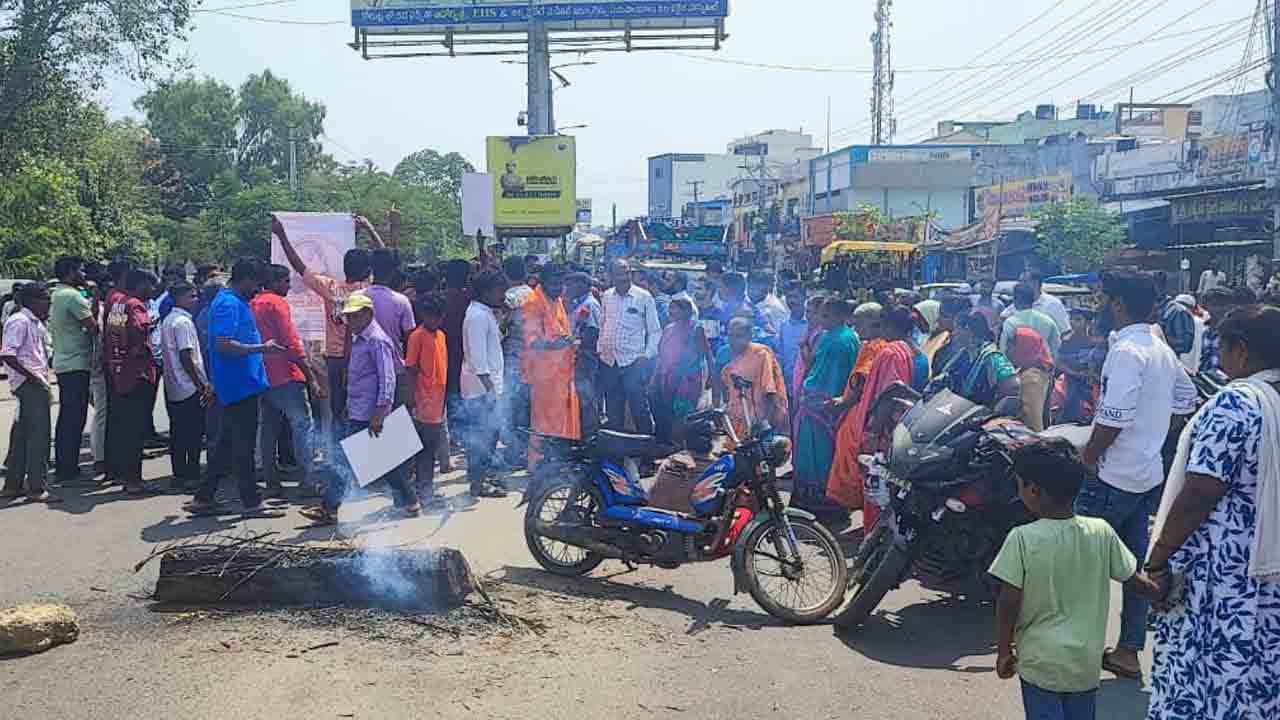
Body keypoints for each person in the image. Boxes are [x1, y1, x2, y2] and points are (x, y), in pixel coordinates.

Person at [1143, 305, 1280, 720]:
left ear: (1239, 349)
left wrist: (1158, 559)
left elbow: (1202, 489)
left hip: (1223, 575)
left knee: (1205, 681)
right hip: (1267, 574)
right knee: (1256, 682)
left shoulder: (1236, 403)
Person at [1077, 270, 1197, 680]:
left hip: (1112, 477)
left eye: (1102, 300)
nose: (1099, 307)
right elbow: (1187, 397)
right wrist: (1155, 433)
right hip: (1146, 474)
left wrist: (1089, 458)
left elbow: (1114, 418)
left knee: (1082, 564)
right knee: (1133, 569)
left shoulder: (1129, 350)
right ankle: (1128, 651)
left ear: (1118, 304)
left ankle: (1078, 648)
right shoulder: (1159, 348)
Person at [989, 438, 1161, 720]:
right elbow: (1134, 581)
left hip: (1039, 662)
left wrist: (1004, 651)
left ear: (1033, 491)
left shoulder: (1021, 539)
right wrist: (1162, 592)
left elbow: (1008, 602)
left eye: (1019, 485)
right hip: (1084, 663)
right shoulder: (1101, 532)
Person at [301, 294, 420, 524]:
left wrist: (379, 412)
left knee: (346, 460)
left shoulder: (376, 340)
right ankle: (410, 502)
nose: (351, 321)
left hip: (370, 412)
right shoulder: (361, 338)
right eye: (349, 317)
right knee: (381, 460)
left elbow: (388, 379)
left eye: (355, 316)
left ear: (368, 314)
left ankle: (329, 508)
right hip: (360, 409)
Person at [189, 260, 285, 517]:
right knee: (243, 446)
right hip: (238, 385)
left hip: (242, 383)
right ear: (245, 278)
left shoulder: (232, 301)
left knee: (227, 443)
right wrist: (262, 349)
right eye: (256, 283)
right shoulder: (228, 304)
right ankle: (251, 501)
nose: (258, 289)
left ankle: (203, 497)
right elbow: (223, 345)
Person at [274, 214, 381, 429]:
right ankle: (360, 456)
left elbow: (299, 266)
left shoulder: (330, 287)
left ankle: (338, 455)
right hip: (363, 357)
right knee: (363, 409)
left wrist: (282, 235)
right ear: (368, 270)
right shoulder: (369, 290)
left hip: (335, 359)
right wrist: (370, 229)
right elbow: (387, 258)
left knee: (337, 410)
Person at [827, 305, 917, 527]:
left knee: (876, 483)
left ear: (885, 325)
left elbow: (889, 393)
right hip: (896, 425)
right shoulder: (905, 349)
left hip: (882, 428)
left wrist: (873, 430)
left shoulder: (888, 352)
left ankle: (873, 535)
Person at [251, 263, 320, 499]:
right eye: (286, 282)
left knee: (268, 431)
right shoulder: (276, 304)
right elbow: (291, 342)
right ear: (274, 282)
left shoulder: (252, 303)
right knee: (302, 427)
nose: (289, 287)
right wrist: (310, 376)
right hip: (286, 375)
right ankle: (309, 481)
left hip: (262, 377)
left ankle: (271, 483)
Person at [792, 298, 861, 530]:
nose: (822, 320)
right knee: (831, 456)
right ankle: (834, 505)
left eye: (826, 316)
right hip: (840, 403)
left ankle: (815, 507)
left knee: (814, 457)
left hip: (820, 406)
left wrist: (807, 394)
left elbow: (818, 374)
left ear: (839, 316)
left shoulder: (832, 339)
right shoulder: (850, 336)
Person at [103, 269, 160, 496]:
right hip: (137, 374)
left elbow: (113, 334)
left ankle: (120, 473)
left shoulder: (117, 302)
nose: (153, 290)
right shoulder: (135, 305)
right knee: (135, 431)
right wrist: (144, 348)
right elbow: (139, 334)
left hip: (118, 372)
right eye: (150, 285)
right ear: (140, 284)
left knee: (122, 426)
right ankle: (134, 481)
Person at [1, 284, 58, 504]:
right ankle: (36, 488)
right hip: (30, 385)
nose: (49, 304)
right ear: (33, 300)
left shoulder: (35, 323)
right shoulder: (20, 321)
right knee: (38, 438)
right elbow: (8, 354)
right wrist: (32, 377)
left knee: (22, 437)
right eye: (45, 299)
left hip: (33, 382)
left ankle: (13, 486)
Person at [523, 264, 580, 468]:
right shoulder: (533, 302)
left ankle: (557, 460)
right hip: (544, 376)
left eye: (561, 283)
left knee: (561, 420)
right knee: (543, 422)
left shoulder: (555, 298)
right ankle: (539, 464)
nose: (559, 288)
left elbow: (559, 328)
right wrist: (554, 345)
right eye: (554, 283)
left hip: (562, 373)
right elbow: (531, 341)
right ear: (543, 282)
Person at [48, 256, 98, 485]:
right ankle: (67, 470)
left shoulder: (58, 294)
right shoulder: (73, 296)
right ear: (70, 271)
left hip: (64, 361)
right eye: (81, 270)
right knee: (73, 418)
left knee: (68, 417)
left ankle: (65, 466)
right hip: (76, 362)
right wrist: (95, 297)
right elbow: (93, 327)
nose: (84, 275)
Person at [159, 283, 211, 494]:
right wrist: (201, 385)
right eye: (192, 296)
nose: (196, 299)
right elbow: (186, 356)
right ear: (180, 298)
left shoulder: (169, 320)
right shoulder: (182, 322)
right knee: (192, 434)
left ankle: (179, 474)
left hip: (174, 386)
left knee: (179, 433)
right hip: (188, 386)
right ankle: (191, 475)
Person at [598, 258, 661, 435]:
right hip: (609, 362)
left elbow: (655, 330)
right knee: (613, 412)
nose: (625, 277)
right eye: (619, 273)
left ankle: (647, 453)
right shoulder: (607, 296)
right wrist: (600, 349)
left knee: (639, 410)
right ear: (611, 276)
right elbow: (603, 325)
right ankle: (615, 454)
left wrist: (646, 355)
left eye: (627, 272)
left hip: (633, 363)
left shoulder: (644, 297)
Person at [461, 271, 508, 498]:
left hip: (486, 387)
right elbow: (479, 360)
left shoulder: (484, 312)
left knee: (488, 436)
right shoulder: (477, 316)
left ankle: (482, 478)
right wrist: (490, 391)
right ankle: (478, 483)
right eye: (500, 291)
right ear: (487, 291)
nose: (503, 295)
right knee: (483, 438)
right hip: (481, 389)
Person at [405, 295, 448, 510]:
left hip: (437, 402)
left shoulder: (441, 335)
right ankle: (423, 493)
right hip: (422, 402)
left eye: (439, 317)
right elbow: (411, 369)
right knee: (422, 451)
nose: (436, 321)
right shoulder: (417, 336)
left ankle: (425, 490)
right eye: (432, 317)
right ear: (424, 315)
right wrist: (411, 400)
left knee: (429, 450)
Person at [718, 317, 789, 444]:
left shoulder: (761, 354)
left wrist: (765, 423)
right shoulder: (724, 353)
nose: (733, 341)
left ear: (750, 336)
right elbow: (723, 386)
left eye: (738, 336)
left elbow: (770, 391)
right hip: (735, 418)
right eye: (730, 335)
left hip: (757, 420)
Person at [651, 297, 711, 445]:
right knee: (667, 414)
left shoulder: (697, 328)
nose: (671, 311)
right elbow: (661, 355)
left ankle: (680, 447)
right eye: (671, 308)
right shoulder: (668, 329)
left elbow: (708, 354)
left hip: (688, 380)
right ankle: (669, 447)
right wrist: (655, 377)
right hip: (668, 378)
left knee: (682, 415)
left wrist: (711, 377)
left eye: (676, 308)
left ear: (687, 311)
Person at [932, 311, 1019, 407]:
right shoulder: (962, 355)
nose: (953, 333)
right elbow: (945, 378)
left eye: (956, 328)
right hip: (957, 414)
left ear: (967, 329)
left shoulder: (993, 357)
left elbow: (1013, 386)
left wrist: (996, 408)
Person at [500, 255, 534, 468]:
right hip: (533, 359)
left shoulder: (507, 297)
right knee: (528, 408)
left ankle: (514, 452)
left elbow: (501, 330)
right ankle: (527, 450)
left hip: (512, 359)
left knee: (513, 407)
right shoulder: (533, 294)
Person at [565, 272, 602, 437]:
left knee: (586, 397)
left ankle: (590, 436)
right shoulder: (576, 303)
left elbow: (592, 333)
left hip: (585, 357)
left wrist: (573, 343)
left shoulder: (590, 304)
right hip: (576, 356)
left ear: (583, 285)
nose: (568, 287)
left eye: (572, 283)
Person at [1001, 282, 1062, 361]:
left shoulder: (1010, 323)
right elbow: (1056, 349)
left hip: (1019, 370)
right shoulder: (1048, 321)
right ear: (1033, 300)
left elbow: (1003, 352)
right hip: (1043, 369)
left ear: (1015, 300)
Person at [1057, 309, 1098, 423]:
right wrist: (1073, 373)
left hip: (1090, 379)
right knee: (1070, 398)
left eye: (1078, 320)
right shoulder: (1066, 339)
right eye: (1072, 319)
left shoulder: (1094, 340)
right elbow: (1059, 362)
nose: (1073, 322)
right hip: (1071, 378)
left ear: (1088, 323)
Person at [1003, 270, 1070, 335]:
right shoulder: (1017, 304)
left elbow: (1065, 331)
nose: (1019, 285)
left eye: (1023, 281)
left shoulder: (1052, 304)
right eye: (1019, 282)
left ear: (1035, 283)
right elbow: (1002, 318)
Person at [776, 281, 809, 406]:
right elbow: (780, 356)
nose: (792, 301)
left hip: (807, 388)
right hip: (788, 388)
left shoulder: (814, 324)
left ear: (804, 297)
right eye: (789, 297)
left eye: (796, 296)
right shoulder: (784, 325)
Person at [1152, 270, 1195, 357]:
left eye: (1153, 287)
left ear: (1162, 287)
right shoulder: (1148, 309)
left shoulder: (1178, 311)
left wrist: (1161, 339)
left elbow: (1185, 345)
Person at [747, 270, 790, 334]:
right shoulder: (744, 302)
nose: (751, 291)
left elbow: (779, 333)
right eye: (750, 287)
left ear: (766, 287)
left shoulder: (775, 307)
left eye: (756, 287)